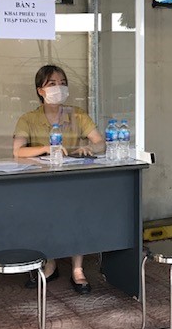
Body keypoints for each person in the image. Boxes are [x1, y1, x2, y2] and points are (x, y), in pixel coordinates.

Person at [13, 65, 105, 294]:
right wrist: (48, 147)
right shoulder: (28, 118)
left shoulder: (77, 114)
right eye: (51, 83)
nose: (58, 87)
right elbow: (18, 151)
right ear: (40, 90)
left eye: (62, 82)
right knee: (45, 216)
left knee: (78, 214)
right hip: (41, 183)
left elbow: (101, 143)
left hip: (74, 181)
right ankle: (50, 263)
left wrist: (87, 147)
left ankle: (77, 269)